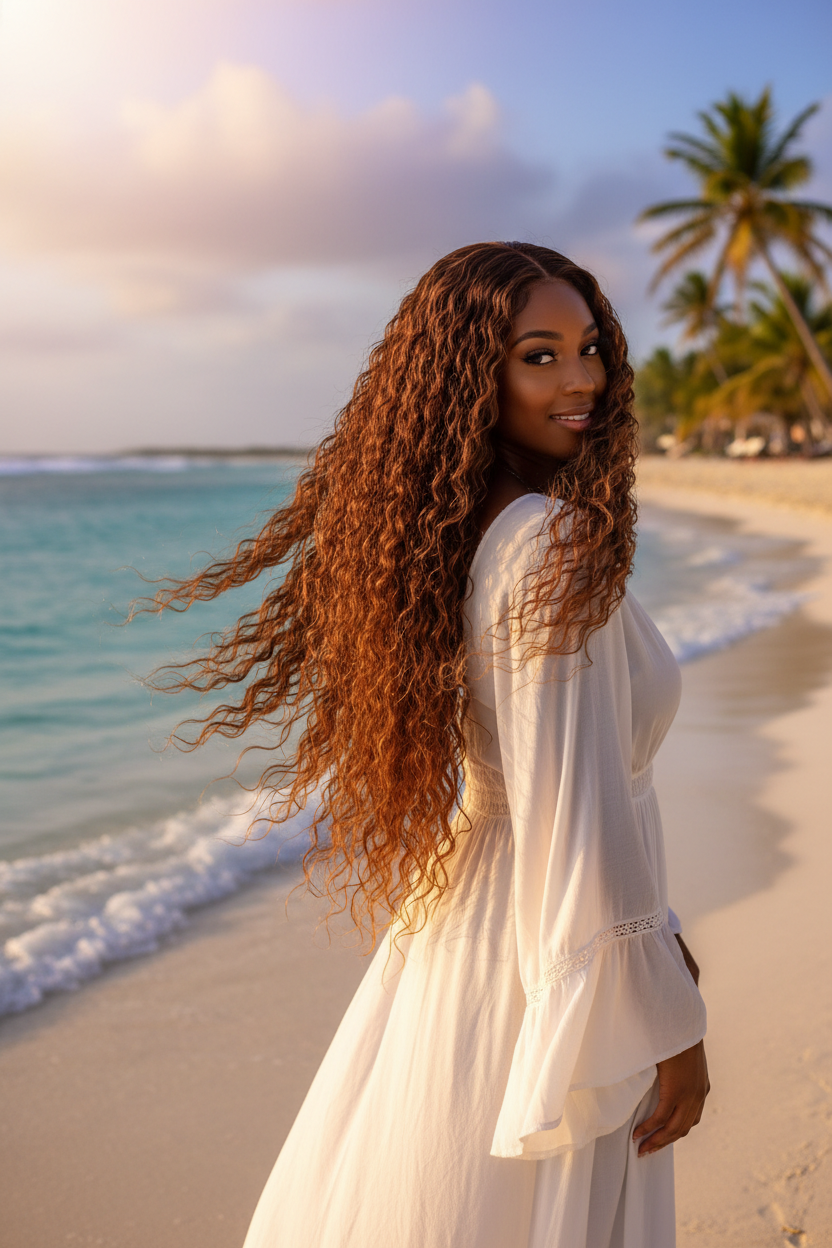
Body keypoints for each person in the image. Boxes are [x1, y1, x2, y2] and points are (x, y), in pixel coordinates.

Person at [149, 242, 708, 1247]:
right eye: (537, 354)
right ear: (468, 377)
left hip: (473, 921)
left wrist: (655, 935)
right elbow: (570, 810)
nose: (581, 379)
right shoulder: (547, 539)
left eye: (589, 348)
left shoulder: (469, 530)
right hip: (539, 945)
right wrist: (665, 1019)